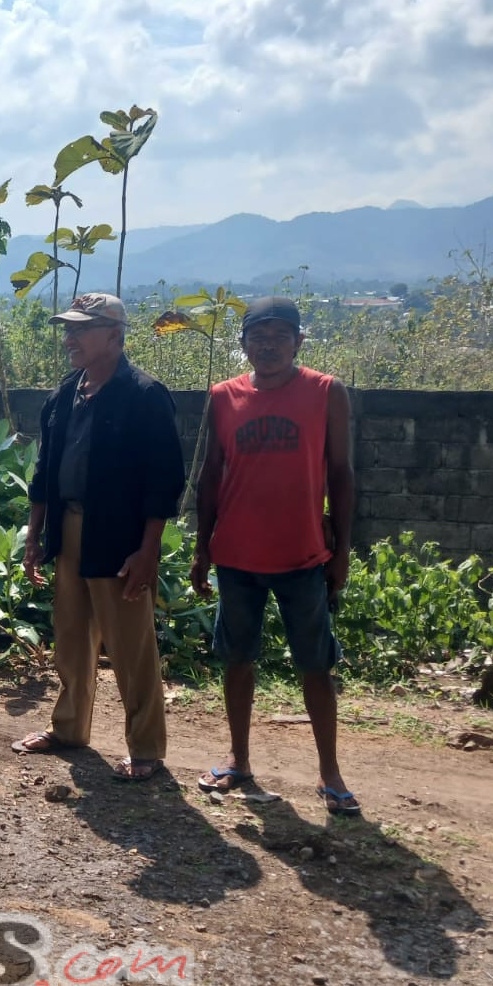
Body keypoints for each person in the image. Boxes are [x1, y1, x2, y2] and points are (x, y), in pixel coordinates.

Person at [189, 296, 360, 815]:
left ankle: (330, 773)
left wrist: (342, 551)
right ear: (243, 344)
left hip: (303, 557)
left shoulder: (326, 392)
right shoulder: (223, 396)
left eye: (280, 336)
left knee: (316, 666)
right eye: (258, 338)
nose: (268, 346)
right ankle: (238, 760)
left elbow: (341, 473)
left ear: (298, 341)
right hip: (237, 556)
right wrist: (201, 548)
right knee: (237, 660)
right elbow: (210, 476)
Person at [19, 293, 184, 781]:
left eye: (81, 329)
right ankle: (69, 728)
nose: (69, 339)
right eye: (68, 330)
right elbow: (44, 472)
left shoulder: (144, 395)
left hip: (119, 535)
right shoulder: (64, 395)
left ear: (114, 335)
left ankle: (146, 748)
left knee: (131, 645)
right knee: (71, 637)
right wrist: (34, 535)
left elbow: (164, 482)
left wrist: (148, 550)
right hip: (69, 528)